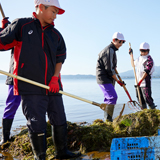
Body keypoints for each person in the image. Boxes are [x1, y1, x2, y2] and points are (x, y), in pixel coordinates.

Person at [0, 0, 81, 159]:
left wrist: (55, 78)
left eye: (57, 13)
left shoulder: (56, 34)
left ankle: (62, 152)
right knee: (37, 124)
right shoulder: (21, 26)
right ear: (41, 8)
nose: (55, 16)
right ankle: (40, 157)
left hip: (53, 86)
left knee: (59, 119)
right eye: (53, 11)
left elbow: (60, 58)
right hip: (31, 86)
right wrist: (4, 29)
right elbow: (2, 43)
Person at [0, 18, 21, 145]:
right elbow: (3, 41)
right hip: (15, 74)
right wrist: (4, 29)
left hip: (33, 77)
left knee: (34, 107)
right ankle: (5, 137)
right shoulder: (16, 31)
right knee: (11, 105)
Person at [96, 32, 126, 122]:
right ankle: (108, 120)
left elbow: (113, 67)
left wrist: (117, 79)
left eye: (122, 42)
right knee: (112, 97)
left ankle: (107, 120)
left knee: (108, 98)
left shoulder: (113, 50)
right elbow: (109, 69)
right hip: (104, 78)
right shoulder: (109, 50)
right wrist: (117, 80)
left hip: (108, 78)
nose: (120, 44)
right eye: (119, 42)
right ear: (114, 40)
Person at [129, 42, 156, 109]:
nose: (143, 52)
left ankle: (153, 111)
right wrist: (131, 55)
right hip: (137, 82)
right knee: (140, 98)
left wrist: (141, 81)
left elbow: (146, 72)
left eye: (144, 51)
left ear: (148, 50)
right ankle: (144, 111)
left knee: (147, 98)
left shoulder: (149, 60)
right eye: (141, 51)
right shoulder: (139, 58)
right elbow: (133, 65)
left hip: (145, 82)